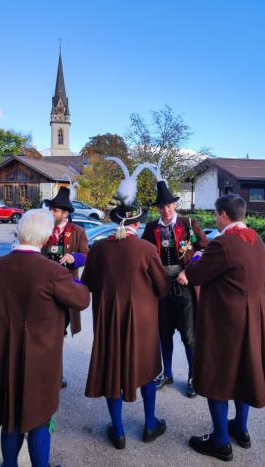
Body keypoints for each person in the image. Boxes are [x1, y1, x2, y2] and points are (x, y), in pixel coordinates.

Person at [0, 209, 90, 467]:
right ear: (47, 236)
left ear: (20, 232)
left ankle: (10, 465)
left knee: (10, 416)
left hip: (4, 355)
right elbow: (82, 300)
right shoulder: (53, 272)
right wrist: (81, 284)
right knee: (40, 418)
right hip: (41, 360)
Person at [177, 193, 265, 462]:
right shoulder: (257, 241)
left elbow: (196, 274)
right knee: (244, 373)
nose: (214, 218)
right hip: (251, 321)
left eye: (215, 214)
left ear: (223, 215)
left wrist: (193, 254)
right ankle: (241, 429)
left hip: (225, 324)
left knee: (217, 377)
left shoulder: (223, 244)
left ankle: (221, 441)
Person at [82, 159, 170, 450]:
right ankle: (149, 425)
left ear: (114, 219)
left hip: (108, 319)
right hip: (142, 322)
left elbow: (90, 284)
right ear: (136, 221)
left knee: (112, 371)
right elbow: (162, 287)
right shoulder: (146, 250)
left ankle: (118, 431)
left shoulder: (99, 249)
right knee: (145, 369)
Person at [142, 179, 208, 397]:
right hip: (161, 289)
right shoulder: (151, 228)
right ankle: (167, 373)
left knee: (189, 336)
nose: (166, 210)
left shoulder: (189, 224)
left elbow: (204, 250)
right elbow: (144, 254)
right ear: (158, 209)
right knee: (164, 334)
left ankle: (193, 377)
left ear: (175, 206)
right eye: (162, 207)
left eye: (169, 206)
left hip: (185, 288)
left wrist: (189, 272)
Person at [42, 186, 89, 388]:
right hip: (43, 289)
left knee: (58, 334)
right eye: (51, 209)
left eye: (55, 210)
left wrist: (74, 257)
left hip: (65, 290)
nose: (52, 213)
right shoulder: (44, 228)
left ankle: (55, 375)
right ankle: (49, 373)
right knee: (48, 334)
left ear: (65, 212)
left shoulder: (77, 231)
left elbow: (87, 255)